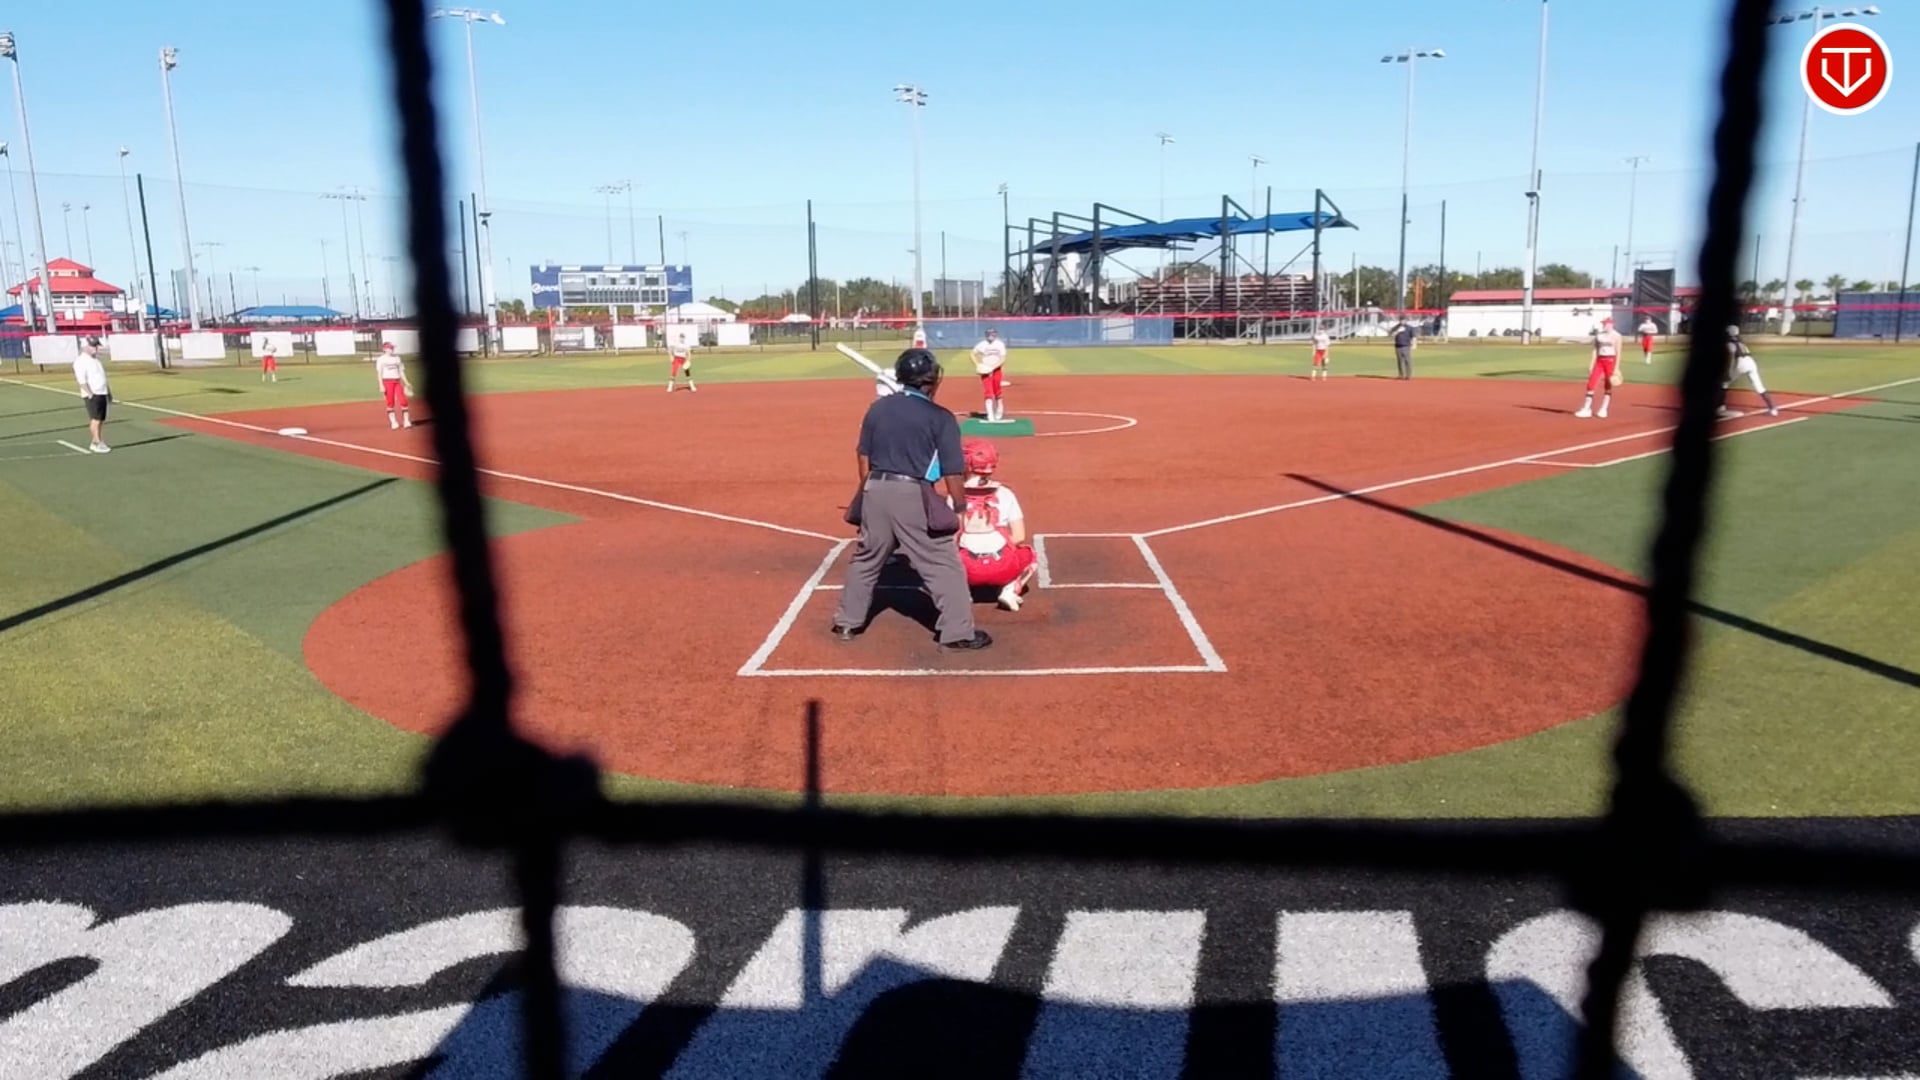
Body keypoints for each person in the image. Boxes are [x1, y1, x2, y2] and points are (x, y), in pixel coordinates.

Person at [832, 348, 992, 652]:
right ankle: (957, 632)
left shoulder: (877, 409)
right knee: (942, 562)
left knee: (867, 558)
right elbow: (953, 472)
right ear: (933, 380)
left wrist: (867, 495)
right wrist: (960, 507)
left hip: (875, 488)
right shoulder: (940, 417)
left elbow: (863, 456)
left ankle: (847, 623)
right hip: (912, 493)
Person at [956, 439, 1040, 612]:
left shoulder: (955, 495)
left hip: (965, 568)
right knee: (1030, 555)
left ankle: (960, 592)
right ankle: (1010, 590)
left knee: (945, 554)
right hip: (1002, 565)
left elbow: (950, 537)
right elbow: (1019, 537)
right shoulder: (1005, 493)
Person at [1722, 324, 1780, 418]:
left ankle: (1721, 407)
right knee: (1759, 386)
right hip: (1751, 362)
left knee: (1724, 383)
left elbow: (1731, 358)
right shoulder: (1741, 342)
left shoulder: (1729, 343)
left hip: (1740, 362)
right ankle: (1773, 409)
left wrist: (1729, 371)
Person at [1574, 317, 1623, 419]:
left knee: (1608, 384)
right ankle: (1586, 408)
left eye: (1606, 324)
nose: (1604, 325)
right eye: (1604, 324)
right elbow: (1595, 350)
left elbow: (1618, 353)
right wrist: (1591, 364)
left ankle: (1604, 408)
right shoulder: (1599, 336)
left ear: (1611, 324)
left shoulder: (1617, 336)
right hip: (1600, 361)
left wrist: (1616, 368)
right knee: (1591, 383)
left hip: (1611, 361)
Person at [73, 337, 112, 454]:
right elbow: (82, 380)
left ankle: (97, 440)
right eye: (93, 346)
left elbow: (102, 377)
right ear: (86, 346)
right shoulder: (80, 361)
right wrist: (90, 394)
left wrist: (109, 392)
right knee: (95, 419)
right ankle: (96, 442)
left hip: (101, 392)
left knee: (100, 419)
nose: (95, 348)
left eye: (96, 345)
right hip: (93, 394)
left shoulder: (96, 360)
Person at [971, 327, 1009, 422]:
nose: (990, 336)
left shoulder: (999, 344)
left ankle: (999, 408)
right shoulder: (982, 345)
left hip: (996, 370)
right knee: (988, 391)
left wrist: (993, 367)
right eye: (988, 334)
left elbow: (1003, 359)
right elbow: (972, 354)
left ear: (995, 334)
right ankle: (990, 414)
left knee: (997, 391)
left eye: (992, 334)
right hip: (985, 371)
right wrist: (978, 364)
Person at [374, 341, 414, 430]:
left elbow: (401, 371)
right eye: (389, 348)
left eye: (392, 347)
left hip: (397, 381)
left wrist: (406, 382)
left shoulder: (397, 358)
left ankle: (406, 421)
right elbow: (379, 373)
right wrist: (381, 385)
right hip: (387, 382)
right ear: (384, 349)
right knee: (390, 402)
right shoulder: (381, 359)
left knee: (403, 401)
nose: (391, 349)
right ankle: (393, 422)